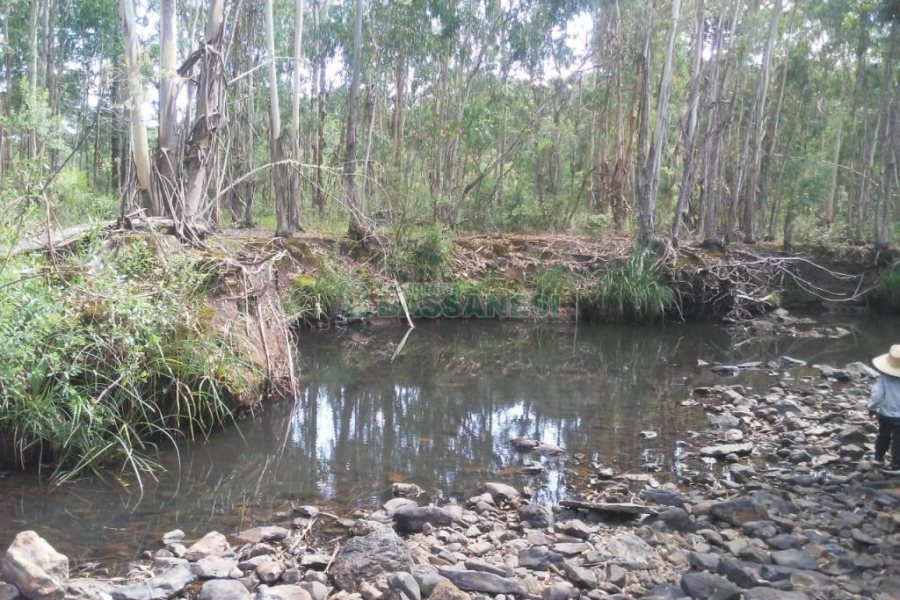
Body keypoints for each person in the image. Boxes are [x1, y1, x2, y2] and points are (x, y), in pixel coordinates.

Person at [870, 344, 900, 475]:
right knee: (898, 440)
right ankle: (896, 464)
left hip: (886, 414)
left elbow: (877, 395)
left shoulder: (884, 377)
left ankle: (879, 458)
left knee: (883, 435)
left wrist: (871, 407)